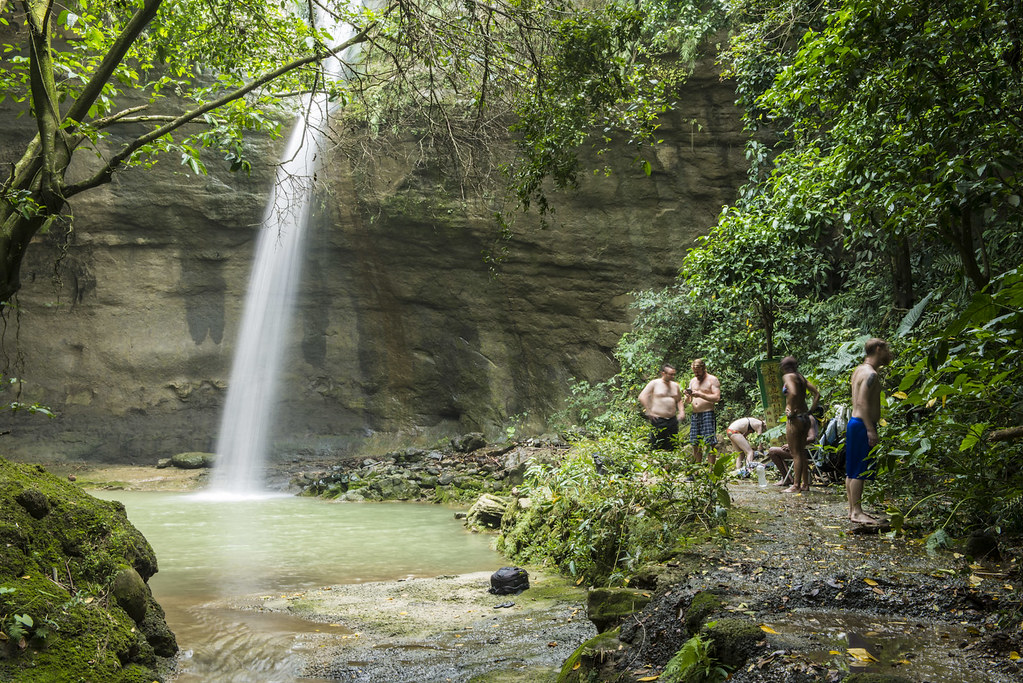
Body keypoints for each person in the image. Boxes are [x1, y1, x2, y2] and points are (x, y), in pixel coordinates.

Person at [847, 338, 892, 524]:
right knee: (859, 470)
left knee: (851, 470)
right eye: (887, 349)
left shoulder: (859, 370)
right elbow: (862, 403)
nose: (889, 353)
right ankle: (857, 512)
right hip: (862, 424)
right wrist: (870, 429)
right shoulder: (870, 374)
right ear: (878, 349)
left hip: (855, 422)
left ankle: (852, 510)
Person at [781, 356, 820, 493]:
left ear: (784, 367)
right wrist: (811, 410)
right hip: (805, 417)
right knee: (801, 451)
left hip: (795, 418)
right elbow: (817, 393)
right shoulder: (801, 377)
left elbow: (793, 391)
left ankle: (795, 485)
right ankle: (805, 484)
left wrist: (790, 409)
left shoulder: (788, 376)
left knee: (795, 452)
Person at [638, 364, 685, 451]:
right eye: (670, 374)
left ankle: (669, 464)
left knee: (672, 445)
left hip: (672, 420)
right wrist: (649, 411)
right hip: (658, 419)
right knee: (657, 445)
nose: (673, 376)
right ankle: (656, 462)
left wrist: (682, 411)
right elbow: (642, 396)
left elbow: (679, 400)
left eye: (674, 374)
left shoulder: (675, 385)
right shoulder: (654, 383)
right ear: (663, 373)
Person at [765, 413, 820, 486]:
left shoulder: (808, 418)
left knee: (772, 451)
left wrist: (793, 444)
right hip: (800, 449)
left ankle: (787, 479)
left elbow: (812, 437)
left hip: (809, 451)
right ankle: (787, 478)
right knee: (775, 451)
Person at [684, 358, 721, 464]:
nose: (696, 374)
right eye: (694, 372)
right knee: (695, 442)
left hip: (707, 413)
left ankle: (711, 470)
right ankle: (696, 470)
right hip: (695, 415)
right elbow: (688, 401)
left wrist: (700, 394)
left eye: (698, 372)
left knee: (710, 442)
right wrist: (687, 396)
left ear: (704, 368)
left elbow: (717, 398)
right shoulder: (693, 381)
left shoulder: (712, 380)